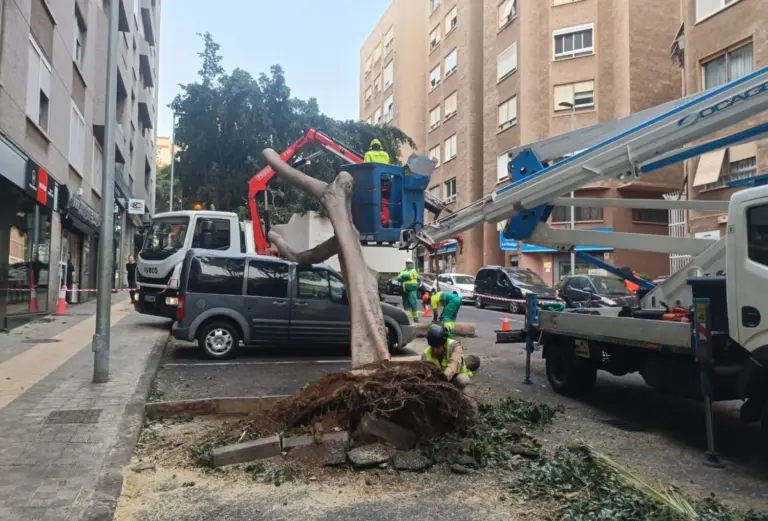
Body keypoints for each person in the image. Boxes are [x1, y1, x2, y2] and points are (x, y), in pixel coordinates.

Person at [422, 323, 473, 392]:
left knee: (462, 380)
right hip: (439, 380)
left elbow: (453, 366)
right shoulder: (425, 355)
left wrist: (442, 380)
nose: (435, 350)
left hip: (455, 375)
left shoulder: (455, 346)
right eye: (433, 347)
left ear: (444, 344)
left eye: (438, 347)